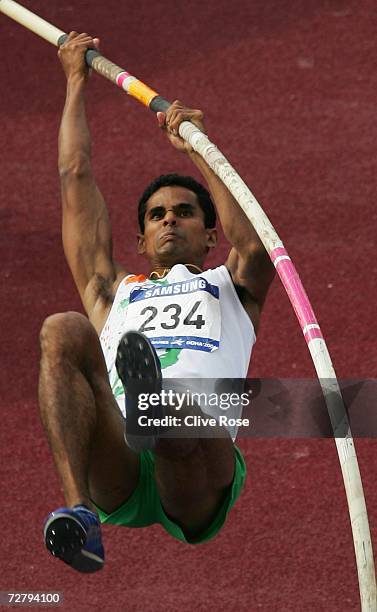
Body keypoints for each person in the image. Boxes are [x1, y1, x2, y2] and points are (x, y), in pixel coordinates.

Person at [40, 32, 275, 573]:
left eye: (186, 212)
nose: (170, 218)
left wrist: (199, 149)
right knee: (62, 329)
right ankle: (80, 514)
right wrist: (75, 82)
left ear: (209, 235)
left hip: (195, 466)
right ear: (142, 241)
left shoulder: (232, 285)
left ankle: (154, 404)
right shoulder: (113, 291)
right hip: (119, 461)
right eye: (157, 214)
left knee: (180, 411)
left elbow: (255, 244)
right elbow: (74, 176)